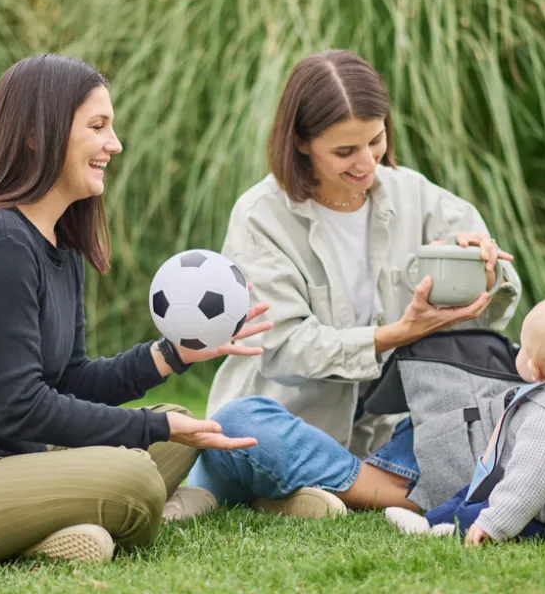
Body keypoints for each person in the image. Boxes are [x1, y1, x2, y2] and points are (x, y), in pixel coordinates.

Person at [0, 54, 271, 565]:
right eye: (98, 126)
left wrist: (173, 355)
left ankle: (59, 527)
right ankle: (75, 524)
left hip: (7, 462)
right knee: (138, 470)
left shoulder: (57, 243)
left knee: (183, 428)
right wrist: (148, 429)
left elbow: (69, 378)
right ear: (38, 134)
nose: (114, 144)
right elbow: (19, 406)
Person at [187, 49, 522, 517]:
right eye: (345, 151)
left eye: (376, 140)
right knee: (238, 423)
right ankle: (386, 492)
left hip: (386, 437)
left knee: (506, 401)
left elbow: (496, 296)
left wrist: (481, 267)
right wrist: (396, 335)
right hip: (290, 423)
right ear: (301, 143)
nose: (367, 163)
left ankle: (314, 488)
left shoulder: (414, 194)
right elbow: (284, 347)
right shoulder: (260, 216)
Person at [384, 295, 545, 544]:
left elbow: (530, 484)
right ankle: (427, 522)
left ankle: (446, 529)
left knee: (478, 512)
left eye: (523, 348)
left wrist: (494, 525)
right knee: (470, 492)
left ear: (535, 368)